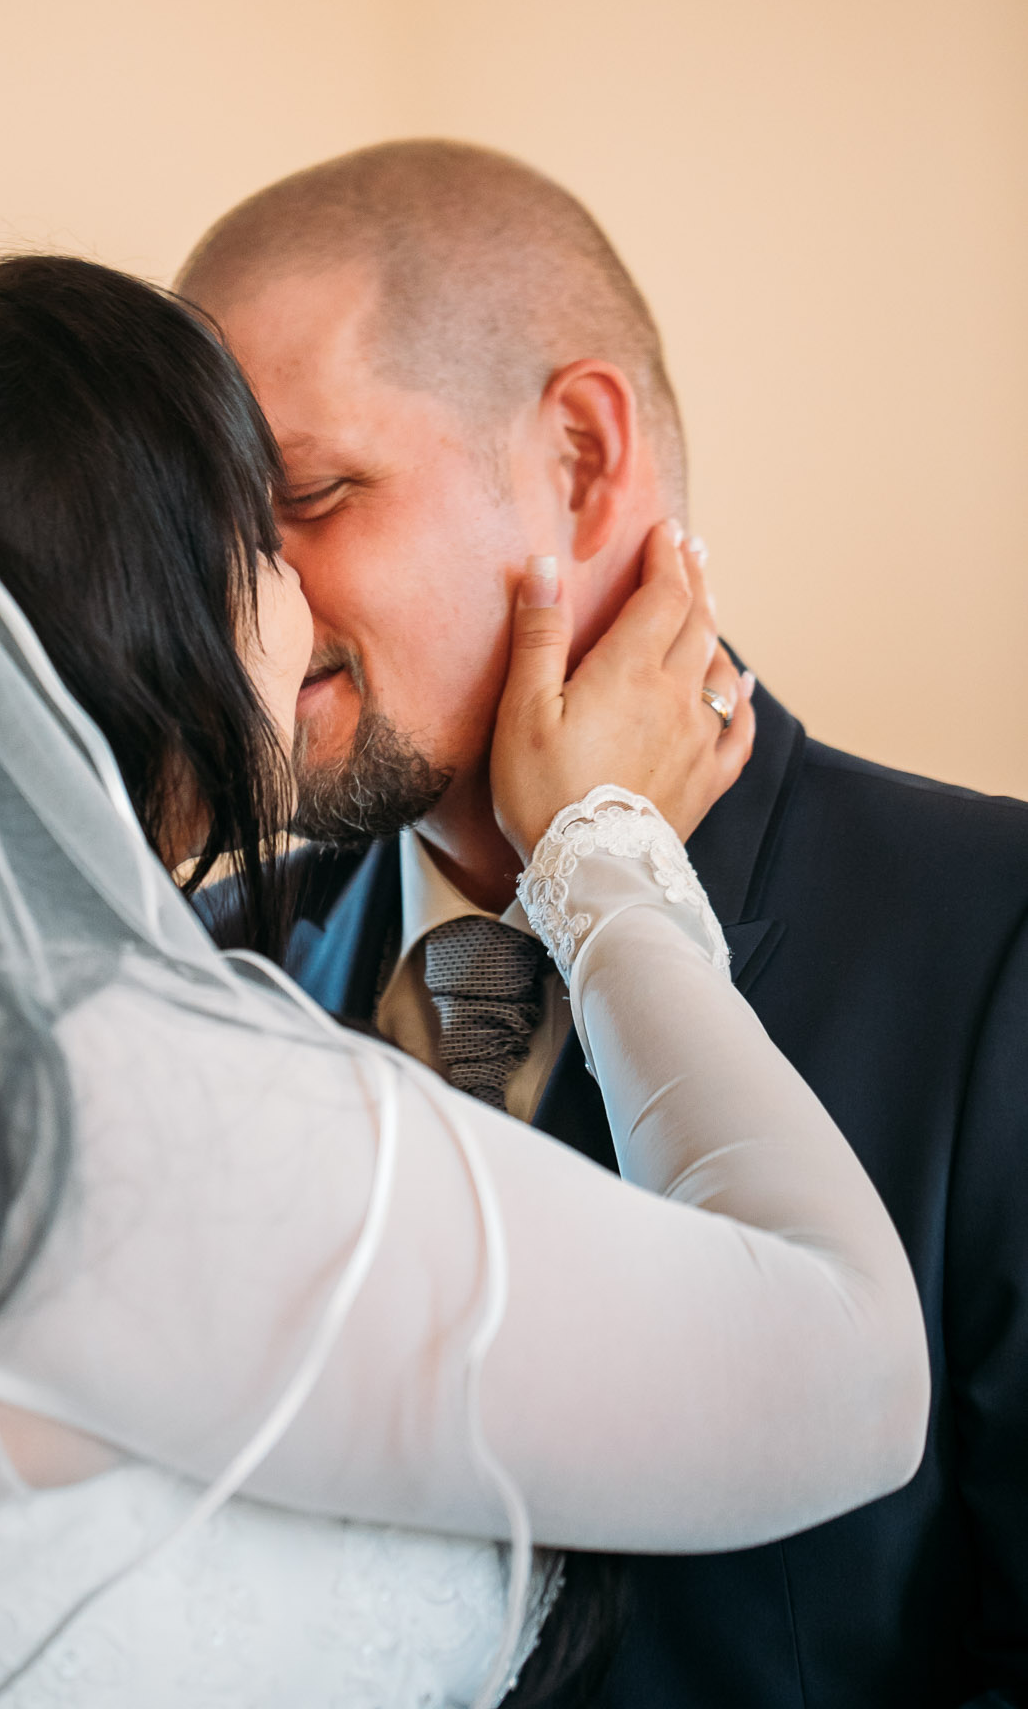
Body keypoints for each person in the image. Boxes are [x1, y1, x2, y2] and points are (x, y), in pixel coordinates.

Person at [0, 257, 927, 1709]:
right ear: (133, 607)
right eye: (257, 537)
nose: (294, 590)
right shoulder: (93, 1091)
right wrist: (597, 856)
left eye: (312, 501)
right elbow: (844, 1374)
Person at [177, 142, 1028, 1709]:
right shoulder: (192, 980)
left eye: (307, 499)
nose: (248, 604)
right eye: (209, 535)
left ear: (576, 455)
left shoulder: (990, 944)